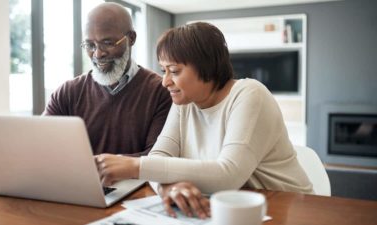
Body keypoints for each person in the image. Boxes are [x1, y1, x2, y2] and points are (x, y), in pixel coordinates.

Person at [94, 22, 313, 218]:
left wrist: (134, 166)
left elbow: (228, 175)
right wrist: (168, 188)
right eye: (163, 71)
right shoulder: (185, 103)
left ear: (206, 66)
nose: (165, 82)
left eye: (174, 71)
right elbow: (159, 157)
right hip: (228, 208)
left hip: (289, 209)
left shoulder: (249, 94)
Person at [43, 3, 171, 156]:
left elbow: (156, 158)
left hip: (137, 181)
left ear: (131, 39)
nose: (98, 54)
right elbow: (42, 145)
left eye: (107, 43)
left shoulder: (161, 91)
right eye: (90, 45)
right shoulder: (67, 92)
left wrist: (92, 165)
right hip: (75, 180)